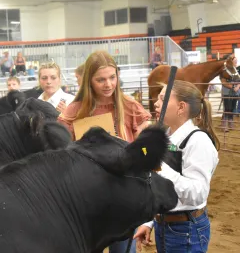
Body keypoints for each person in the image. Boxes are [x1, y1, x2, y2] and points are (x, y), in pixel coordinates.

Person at [58, 50, 151, 253]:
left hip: (124, 197)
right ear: (89, 81)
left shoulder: (130, 106)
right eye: (101, 80)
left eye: (112, 77)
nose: (108, 84)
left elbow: (146, 147)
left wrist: (143, 152)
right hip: (88, 200)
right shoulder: (74, 111)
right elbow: (61, 151)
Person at [134, 80, 220, 253]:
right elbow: (159, 188)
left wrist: (158, 166)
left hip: (186, 230)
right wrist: (150, 222)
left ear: (181, 107)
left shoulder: (198, 141)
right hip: (165, 225)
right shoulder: (165, 136)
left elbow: (197, 193)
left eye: (162, 98)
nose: (156, 103)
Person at [220, 55, 239, 130]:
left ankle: (230, 122)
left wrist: (237, 87)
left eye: (236, 61)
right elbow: (223, 82)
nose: (235, 62)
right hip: (227, 92)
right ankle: (224, 124)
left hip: (235, 92)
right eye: (234, 61)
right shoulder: (224, 70)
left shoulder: (237, 70)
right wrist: (233, 87)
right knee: (227, 108)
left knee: (232, 107)